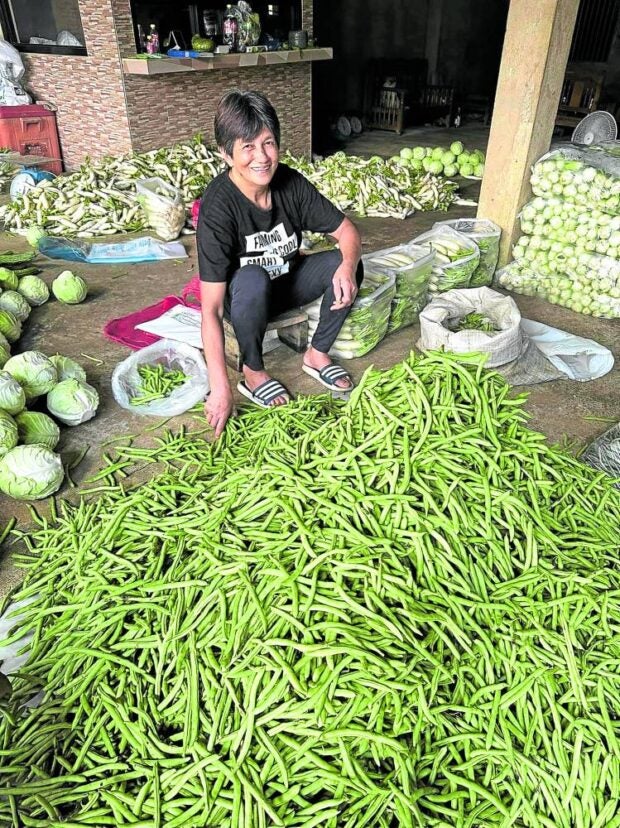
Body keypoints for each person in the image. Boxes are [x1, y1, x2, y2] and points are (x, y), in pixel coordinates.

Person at [197, 89, 363, 438]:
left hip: (286, 282)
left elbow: (347, 232)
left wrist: (347, 266)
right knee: (253, 277)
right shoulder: (218, 207)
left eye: (268, 143)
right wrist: (220, 384)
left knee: (345, 262)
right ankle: (254, 372)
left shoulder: (290, 184)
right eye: (248, 147)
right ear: (226, 154)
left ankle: (316, 355)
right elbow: (210, 309)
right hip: (243, 298)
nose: (262, 157)